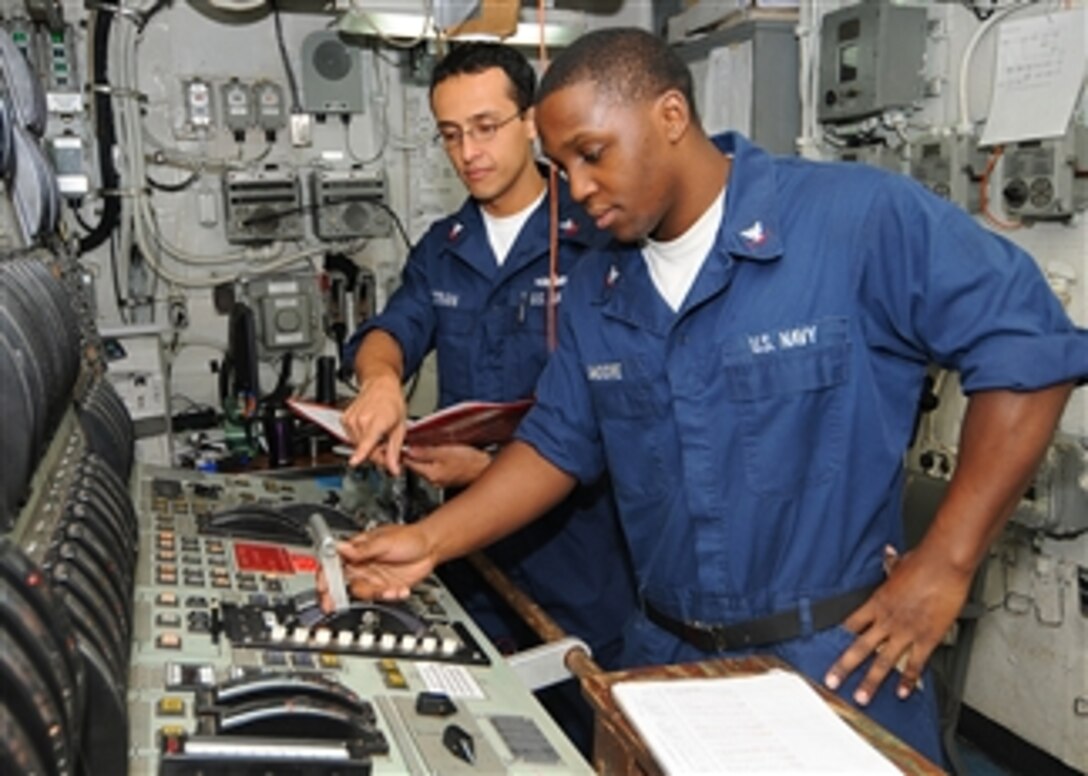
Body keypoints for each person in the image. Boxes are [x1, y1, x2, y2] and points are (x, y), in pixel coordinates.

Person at [326, 28, 1087, 765]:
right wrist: (429, 542)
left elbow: (1028, 346)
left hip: (836, 656)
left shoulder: (853, 220)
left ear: (670, 115)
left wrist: (948, 561)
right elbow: (556, 443)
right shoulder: (601, 283)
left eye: (593, 155)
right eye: (563, 166)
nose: (579, 189)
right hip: (663, 658)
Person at [338, 42, 637, 753]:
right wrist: (382, 379)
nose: (467, 151)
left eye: (485, 126)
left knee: (585, 737)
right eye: (450, 134)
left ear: (530, 121)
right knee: (485, 737)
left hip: (586, 552)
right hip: (471, 555)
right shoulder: (444, 246)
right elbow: (392, 331)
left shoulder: (598, 233)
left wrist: (492, 468)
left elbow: (629, 409)